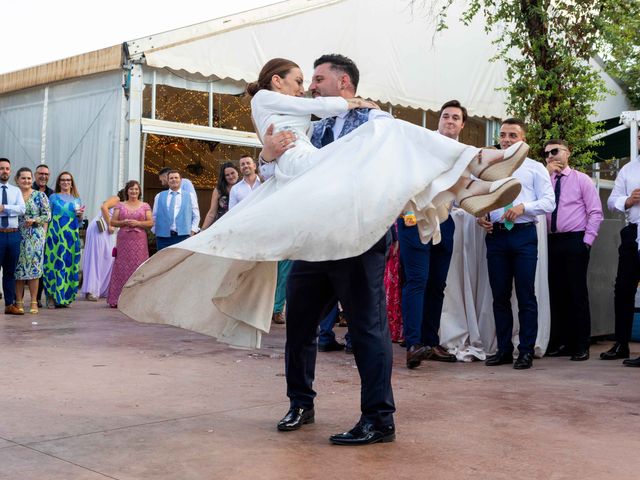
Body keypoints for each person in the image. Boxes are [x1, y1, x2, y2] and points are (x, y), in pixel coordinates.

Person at [119, 57, 527, 445]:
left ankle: (378, 418)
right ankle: (300, 404)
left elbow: (402, 166)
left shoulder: (373, 120)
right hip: (314, 242)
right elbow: (282, 174)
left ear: (342, 83)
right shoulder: (311, 126)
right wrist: (266, 154)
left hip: (358, 240)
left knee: (367, 328)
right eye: (306, 81)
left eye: (317, 80)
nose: (310, 87)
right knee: (299, 326)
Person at [478, 119, 555, 370]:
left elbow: (548, 202)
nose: (507, 139)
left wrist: (524, 207)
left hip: (523, 236)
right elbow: (484, 199)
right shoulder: (491, 168)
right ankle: (503, 350)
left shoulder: (534, 168)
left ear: (523, 140)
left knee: (525, 295)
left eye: (513, 135)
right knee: (499, 296)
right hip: (497, 236)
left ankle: (526, 351)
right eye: (503, 135)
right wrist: (483, 215)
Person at [398, 99, 467, 369]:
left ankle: (430, 340)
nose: (449, 121)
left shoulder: (464, 154)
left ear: (462, 125)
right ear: (439, 121)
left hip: (446, 220)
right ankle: (413, 344)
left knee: (437, 284)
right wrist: (406, 213)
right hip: (415, 218)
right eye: (445, 116)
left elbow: (462, 192)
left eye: (455, 118)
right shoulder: (423, 144)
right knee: (417, 280)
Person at [543, 139, 603, 361]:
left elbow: (595, 212)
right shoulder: (544, 180)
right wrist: (546, 175)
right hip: (550, 241)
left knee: (577, 293)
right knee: (556, 293)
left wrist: (586, 242)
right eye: (547, 152)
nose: (550, 155)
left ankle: (581, 344)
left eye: (555, 151)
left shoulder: (581, 179)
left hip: (575, 240)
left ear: (567, 153)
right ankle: (560, 342)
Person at [603, 130, 640, 365]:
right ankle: (621, 344)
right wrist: (627, 200)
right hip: (632, 232)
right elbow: (611, 200)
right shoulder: (628, 169)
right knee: (623, 289)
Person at [107, 180, 153, 308]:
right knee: (121, 266)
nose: (134, 191)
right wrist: (124, 222)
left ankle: (138, 298)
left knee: (139, 266)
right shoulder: (120, 205)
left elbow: (150, 223)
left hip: (139, 240)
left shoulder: (145, 206)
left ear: (140, 192)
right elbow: (113, 222)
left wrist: (138, 224)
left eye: (136, 189)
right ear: (127, 191)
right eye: (131, 189)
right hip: (124, 240)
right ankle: (117, 298)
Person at [43, 172, 84, 308]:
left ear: (72, 182)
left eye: (68, 180)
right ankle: (51, 297)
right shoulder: (53, 197)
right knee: (53, 264)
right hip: (55, 235)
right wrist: (45, 234)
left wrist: (80, 216)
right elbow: (47, 218)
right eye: (63, 180)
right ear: (59, 182)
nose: (65, 182)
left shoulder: (77, 200)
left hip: (71, 237)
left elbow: (79, 222)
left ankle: (65, 298)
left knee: (68, 265)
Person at [14, 167, 51, 314]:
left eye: (29, 178)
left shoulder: (40, 196)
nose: (26, 181)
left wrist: (35, 220)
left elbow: (47, 216)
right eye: (23, 178)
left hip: (35, 237)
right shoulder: (13, 194)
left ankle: (34, 301)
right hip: (16, 235)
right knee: (18, 270)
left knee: (34, 270)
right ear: (17, 180)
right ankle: (19, 301)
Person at [80, 191, 124, 301]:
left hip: (109, 231)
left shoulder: (126, 205)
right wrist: (110, 224)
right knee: (96, 258)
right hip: (100, 228)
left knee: (108, 258)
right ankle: (92, 290)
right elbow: (104, 207)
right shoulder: (116, 199)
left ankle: (101, 289)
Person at [0, 158, 26, 315]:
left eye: (7, 168)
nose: (4, 171)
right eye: (2, 168)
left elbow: (22, 209)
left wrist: (4, 208)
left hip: (13, 235)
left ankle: (9, 305)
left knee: (10, 272)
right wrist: (12, 209)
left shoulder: (16, 191)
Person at [152, 170, 200, 251]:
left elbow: (196, 216)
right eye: (171, 178)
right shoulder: (159, 196)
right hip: (163, 238)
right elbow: (154, 215)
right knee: (163, 262)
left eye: (176, 177)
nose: (174, 180)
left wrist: (192, 232)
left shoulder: (190, 196)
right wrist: (155, 231)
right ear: (168, 181)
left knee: (181, 262)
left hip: (183, 236)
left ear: (181, 180)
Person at [32, 164, 54, 307]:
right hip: (29, 234)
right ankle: (18, 298)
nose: (43, 176)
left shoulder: (52, 193)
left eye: (46, 174)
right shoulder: (28, 189)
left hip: (48, 236)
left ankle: (38, 298)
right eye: (41, 173)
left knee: (42, 266)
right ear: (35, 174)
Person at [201, 162, 240, 230]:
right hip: (221, 225)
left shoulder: (244, 187)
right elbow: (212, 213)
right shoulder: (219, 190)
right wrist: (202, 230)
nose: (230, 176)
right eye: (227, 175)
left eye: (232, 173)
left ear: (237, 172)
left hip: (239, 224)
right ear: (224, 177)